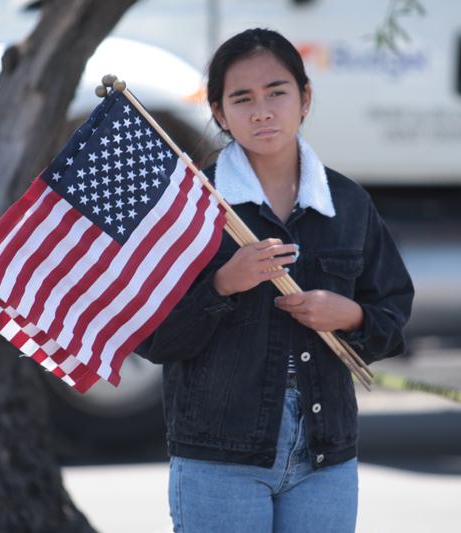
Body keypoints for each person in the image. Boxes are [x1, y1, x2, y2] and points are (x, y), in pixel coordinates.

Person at [136, 28, 414, 533]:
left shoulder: (348, 203)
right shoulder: (191, 205)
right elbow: (152, 337)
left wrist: (349, 314)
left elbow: (392, 313)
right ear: (219, 112)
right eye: (242, 98)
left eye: (277, 92)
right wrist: (222, 284)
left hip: (325, 457)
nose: (262, 111)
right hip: (219, 456)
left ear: (305, 98)